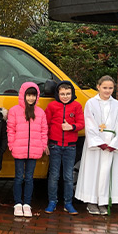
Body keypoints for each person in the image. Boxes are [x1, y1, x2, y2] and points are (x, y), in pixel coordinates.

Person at [75, 76, 118, 215]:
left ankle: (104, 201)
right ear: (98, 87)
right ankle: (91, 201)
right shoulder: (91, 103)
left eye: (110, 88)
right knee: (93, 171)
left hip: (111, 144)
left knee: (107, 173)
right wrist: (100, 143)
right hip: (97, 144)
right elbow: (89, 123)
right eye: (105, 88)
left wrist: (114, 143)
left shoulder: (117, 105)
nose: (107, 91)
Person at [7, 82, 47, 217]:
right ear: (23, 95)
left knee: (29, 178)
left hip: (34, 150)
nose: (31, 98)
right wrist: (12, 145)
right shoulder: (14, 111)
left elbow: (43, 131)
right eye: (28, 95)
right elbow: (10, 130)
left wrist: (42, 145)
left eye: (33, 95)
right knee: (18, 177)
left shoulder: (40, 112)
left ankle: (27, 204)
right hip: (18, 149)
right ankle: (17, 203)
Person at [44, 81, 85, 215]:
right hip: (55, 145)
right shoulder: (52, 106)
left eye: (68, 94)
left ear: (72, 94)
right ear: (57, 94)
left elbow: (81, 123)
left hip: (70, 147)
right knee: (54, 175)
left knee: (68, 176)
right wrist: (46, 142)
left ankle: (68, 203)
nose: (65, 96)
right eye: (62, 94)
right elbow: (45, 124)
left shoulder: (76, 106)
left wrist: (71, 127)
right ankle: (52, 201)